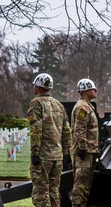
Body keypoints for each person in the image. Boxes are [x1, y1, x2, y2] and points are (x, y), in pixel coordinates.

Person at [27, 73, 71, 207]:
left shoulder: (36, 103)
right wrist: (65, 151)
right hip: (57, 156)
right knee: (54, 191)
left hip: (43, 156)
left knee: (41, 193)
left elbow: (36, 129)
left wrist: (34, 152)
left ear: (39, 87)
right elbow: (66, 130)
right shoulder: (58, 105)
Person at [70, 78, 99, 207]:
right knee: (80, 186)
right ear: (86, 91)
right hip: (84, 152)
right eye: (93, 89)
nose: (96, 91)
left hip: (89, 151)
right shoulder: (82, 108)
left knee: (85, 186)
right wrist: (82, 148)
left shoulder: (87, 106)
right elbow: (79, 130)